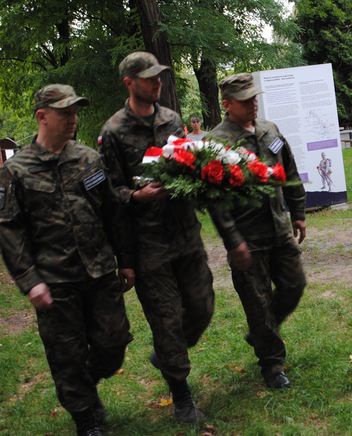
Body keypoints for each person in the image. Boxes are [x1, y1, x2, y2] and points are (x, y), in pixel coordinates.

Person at [0, 84, 134, 436]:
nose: (73, 119)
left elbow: (111, 212)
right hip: (54, 278)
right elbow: (9, 229)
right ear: (42, 116)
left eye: (75, 111)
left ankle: (84, 388)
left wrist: (127, 260)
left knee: (114, 341)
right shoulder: (18, 170)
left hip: (100, 269)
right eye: (65, 112)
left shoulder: (89, 159)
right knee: (66, 353)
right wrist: (30, 281)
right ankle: (86, 419)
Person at [99, 52, 213, 423]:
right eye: (149, 77)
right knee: (165, 319)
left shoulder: (172, 119)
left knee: (201, 305)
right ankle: (181, 394)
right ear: (129, 82)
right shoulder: (114, 132)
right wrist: (134, 197)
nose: (157, 82)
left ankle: (168, 352)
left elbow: (184, 161)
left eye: (159, 76)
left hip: (185, 234)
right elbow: (109, 193)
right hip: (149, 245)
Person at [208, 73, 307, 389]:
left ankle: (261, 332)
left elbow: (288, 170)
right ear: (227, 104)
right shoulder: (216, 142)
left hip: (278, 227)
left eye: (254, 97)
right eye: (245, 100)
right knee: (258, 302)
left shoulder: (269, 130)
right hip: (248, 238)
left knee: (294, 284)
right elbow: (216, 200)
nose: (253, 103)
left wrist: (299, 212)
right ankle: (272, 364)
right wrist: (233, 240)